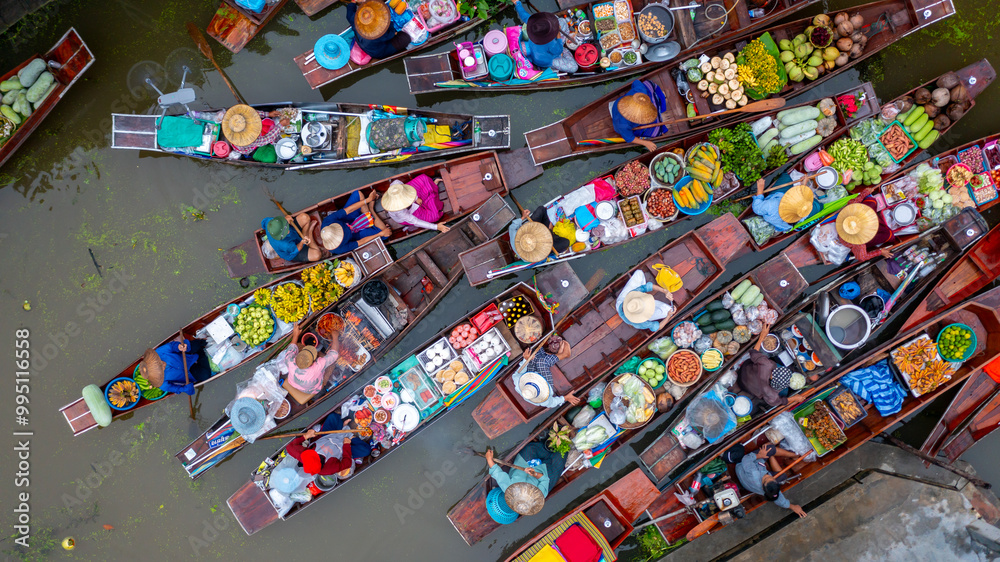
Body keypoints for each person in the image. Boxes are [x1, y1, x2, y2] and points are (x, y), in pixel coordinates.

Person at [737, 325, 810, 408]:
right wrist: (794, 398)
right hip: (747, 387)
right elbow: (777, 401)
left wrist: (762, 336)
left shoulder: (765, 365)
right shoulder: (772, 394)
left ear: (773, 374)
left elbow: (753, 352)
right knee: (785, 393)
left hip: (744, 372)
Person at [734, 443, 808, 518]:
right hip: (747, 472)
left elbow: (745, 460)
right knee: (782, 476)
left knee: (770, 449)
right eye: (770, 478)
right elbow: (745, 459)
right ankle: (791, 455)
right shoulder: (767, 488)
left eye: (767, 478)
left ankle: (774, 455)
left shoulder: (755, 474)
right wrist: (793, 507)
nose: (768, 475)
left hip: (744, 468)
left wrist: (760, 456)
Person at [509, 0, 578, 73]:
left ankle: (561, 46)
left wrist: (517, 3)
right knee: (574, 67)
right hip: (546, 60)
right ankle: (566, 51)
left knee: (561, 21)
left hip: (538, 50)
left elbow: (523, 14)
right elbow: (558, 51)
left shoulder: (534, 25)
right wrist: (558, 35)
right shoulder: (550, 43)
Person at [512, 337, 580, 408]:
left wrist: (526, 360)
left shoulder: (518, 381)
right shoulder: (544, 400)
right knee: (541, 362)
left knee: (534, 354)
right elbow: (553, 403)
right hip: (545, 382)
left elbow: (518, 372)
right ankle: (564, 355)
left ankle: (556, 356)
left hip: (531, 374)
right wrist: (566, 398)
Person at [319, 190, 390, 256]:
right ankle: (371, 209)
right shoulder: (338, 248)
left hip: (347, 219)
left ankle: (369, 214)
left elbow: (348, 210)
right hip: (355, 234)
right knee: (386, 233)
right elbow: (360, 242)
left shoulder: (327, 221)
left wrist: (368, 200)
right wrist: (380, 234)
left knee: (358, 194)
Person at [485, 441, 564, 497]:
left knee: (531, 449)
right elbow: (545, 480)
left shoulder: (509, 488)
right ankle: (553, 450)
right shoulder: (538, 498)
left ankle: (548, 448)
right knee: (561, 456)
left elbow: (497, 473)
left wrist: (489, 459)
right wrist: (535, 474)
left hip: (524, 464)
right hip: (544, 473)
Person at [282, 323, 339, 400]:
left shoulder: (290, 361)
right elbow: (334, 354)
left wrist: (295, 334)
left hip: (293, 383)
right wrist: (335, 337)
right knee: (332, 364)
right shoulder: (318, 366)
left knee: (297, 345)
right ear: (313, 362)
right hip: (314, 389)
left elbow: (292, 347)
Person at [139, 338, 213, 395]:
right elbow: (176, 389)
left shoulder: (159, 352)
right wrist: (184, 389)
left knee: (196, 345)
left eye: (160, 362)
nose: (164, 364)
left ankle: (200, 349)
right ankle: (202, 354)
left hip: (186, 356)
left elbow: (171, 346)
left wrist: (178, 347)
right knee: (206, 375)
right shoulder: (161, 383)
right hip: (189, 373)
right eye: (161, 368)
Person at [611, 81, 668, 152]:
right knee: (655, 131)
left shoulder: (641, 93)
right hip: (617, 116)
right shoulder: (622, 124)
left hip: (622, 101)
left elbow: (636, 82)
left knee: (648, 87)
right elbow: (629, 138)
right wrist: (646, 143)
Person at [381, 176, 451, 233]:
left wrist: (416, 198)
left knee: (423, 179)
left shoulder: (395, 187)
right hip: (411, 212)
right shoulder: (399, 212)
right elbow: (416, 221)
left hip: (412, 198)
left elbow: (397, 182)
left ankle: (432, 188)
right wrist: (436, 227)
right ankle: (433, 186)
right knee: (434, 216)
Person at [752, 180, 821, 232]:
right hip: (784, 226)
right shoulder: (802, 212)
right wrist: (803, 185)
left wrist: (760, 189)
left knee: (785, 177)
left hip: (776, 219)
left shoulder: (773, 204)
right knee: (818, 206)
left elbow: (757, 208)